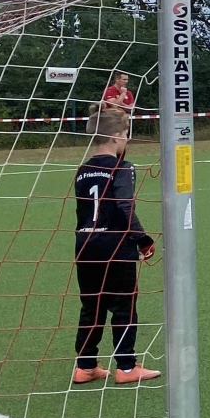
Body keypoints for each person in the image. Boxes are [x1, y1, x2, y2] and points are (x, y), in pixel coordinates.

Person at [71, 108, 159, 385]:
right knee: (123, 305)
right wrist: (143, 239)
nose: (127, 139)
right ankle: (126, 367)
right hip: (115, 245)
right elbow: (124, 206)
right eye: (126, 134)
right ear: (115, 136)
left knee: (92, 306)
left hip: (85, 244)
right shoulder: (123, 167)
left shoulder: (82, 170)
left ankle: (85, 366)